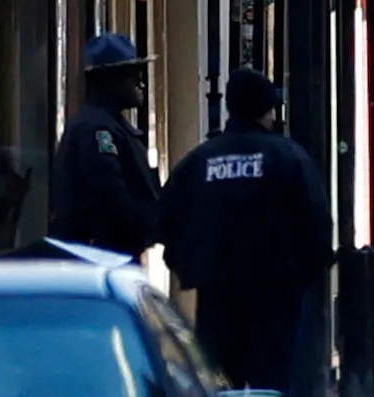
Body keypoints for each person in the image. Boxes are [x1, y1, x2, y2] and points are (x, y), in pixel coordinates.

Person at [159, 68, 330, 394]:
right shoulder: (288, 157)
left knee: (222, 383)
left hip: (217, 297)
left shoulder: (201, 160)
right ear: (267, 110)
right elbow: (317, 225)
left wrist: (188, 268)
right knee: (273, 382)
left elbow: (166, 218)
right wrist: (306, 276)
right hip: (278, 296)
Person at [49, 33, 160, 258]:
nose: (140, 83)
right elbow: (109, 192)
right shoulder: (96, 130)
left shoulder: (111, 125)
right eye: (132, 76)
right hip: (102, 256)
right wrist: (136, 229)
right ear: (110, 80)